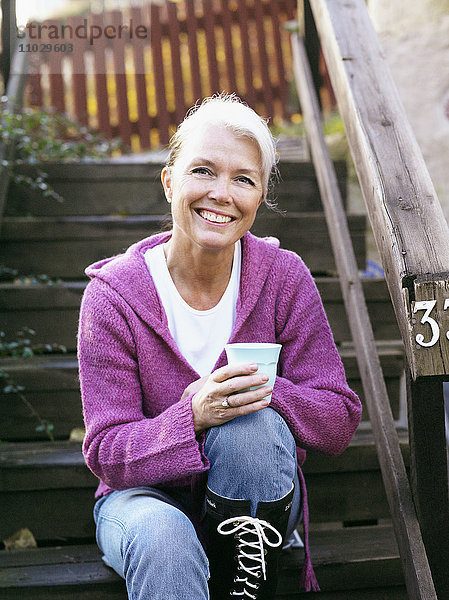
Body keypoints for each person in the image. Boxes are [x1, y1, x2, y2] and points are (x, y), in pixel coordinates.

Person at [78, 94, 362, 600]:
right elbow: (106, 453)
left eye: (243, 179)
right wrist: (193, 416)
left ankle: (243, 582)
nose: (221, 194)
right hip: (145, 502)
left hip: (257, 500)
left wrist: (265, 392)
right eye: (203, 171)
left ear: (260, 197)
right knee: (166, 540)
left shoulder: (283, 278)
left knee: (252, 427)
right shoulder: (113, 297)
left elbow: (338, 418)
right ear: (170, 181)